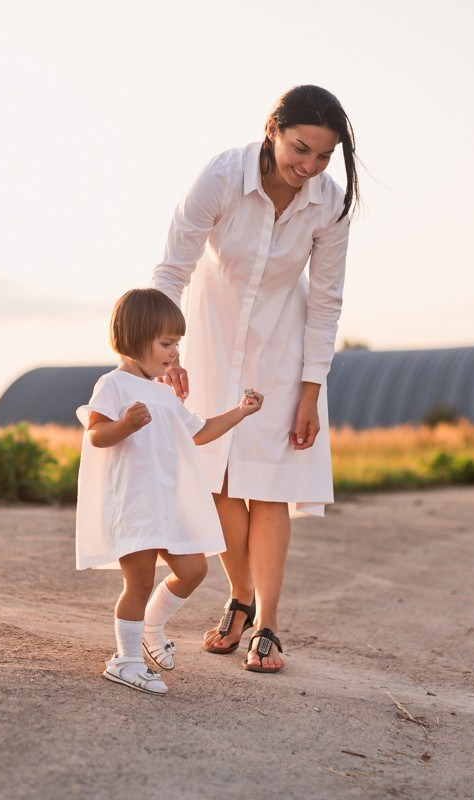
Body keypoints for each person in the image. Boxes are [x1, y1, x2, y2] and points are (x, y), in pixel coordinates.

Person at [152, 85, 360, 673]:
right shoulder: (222, 176)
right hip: (211, 332)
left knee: (269, 485)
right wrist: (167, 353)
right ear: (272, 130)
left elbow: (325, 302)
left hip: (282, 345)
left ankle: (267, 624)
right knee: (216, 478)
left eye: (324, 156)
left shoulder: (329, 203)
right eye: (301, 149)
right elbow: (173, 267)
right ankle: (239, 596)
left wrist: (311, 393)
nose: (311, 167)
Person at [76, 289, 264, 695]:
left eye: (177, 343)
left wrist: (241, 411)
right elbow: (95, 435)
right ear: (133, 338)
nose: (175, 352)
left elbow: (199, 432)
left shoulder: (163, 391)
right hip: (135, 504)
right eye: (166, 343)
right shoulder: (113, 385)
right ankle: (125, 661)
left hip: (167, 503)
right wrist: (124, 425)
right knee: (139, 582)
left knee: (194, 569)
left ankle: (151, 625)